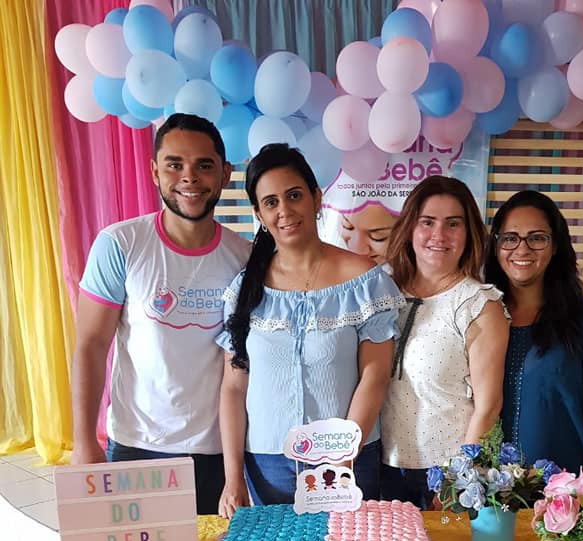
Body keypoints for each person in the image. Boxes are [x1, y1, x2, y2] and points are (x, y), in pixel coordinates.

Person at [70, 113, 251, 514]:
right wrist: (83, 442)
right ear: (154, 172)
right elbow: (91, 344)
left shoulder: (245, 257)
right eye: (174, 164)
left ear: (224, 174)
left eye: (204, 165)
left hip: (218, 452)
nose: (189, 177)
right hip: (138, 447)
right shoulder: (120, 244)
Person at [216, 143, 405, 515]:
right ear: (259, 214)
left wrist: (343, 459)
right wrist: (232, 477)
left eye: (294, 196)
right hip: (268, 464)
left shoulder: (365, 281)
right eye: (271, 202)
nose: (284, 211)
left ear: (317, 198)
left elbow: (375, 375)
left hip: (348, 460)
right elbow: (234, 387)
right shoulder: (244, 289)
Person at [380, 175, 510, 509]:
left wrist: (458, 481)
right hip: (379, 465)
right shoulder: (382, 292)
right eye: (427, 222)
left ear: (469, 233)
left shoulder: (478, 304)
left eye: (453, 224)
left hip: (442, 473)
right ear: (410, 228)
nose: (439, 235)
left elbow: (488, 407)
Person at [485, 189, 583, 474]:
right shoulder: (480, 316)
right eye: (510, 238)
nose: (522, 249)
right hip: (487, 485)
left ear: (555, 245)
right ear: (496, 245)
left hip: (562, 483)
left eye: (537, 238)